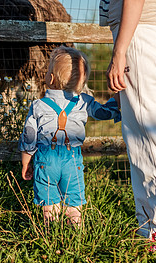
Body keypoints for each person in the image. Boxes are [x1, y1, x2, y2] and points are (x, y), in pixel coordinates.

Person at [100, 0, 156, 250]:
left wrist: (120, 51)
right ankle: (150, 225)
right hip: (136, 35)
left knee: (148, 137)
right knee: (138, 138)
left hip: (139, 36)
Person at [18, 46, 121, 225]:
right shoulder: (84, 101)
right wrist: (116, 100)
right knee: (73, 205)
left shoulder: (38, 106)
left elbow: (29, 136)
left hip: (45, 159)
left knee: (49, 205)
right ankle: (75, 237)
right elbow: (104, 113)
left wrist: (26, 161)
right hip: (72, 158)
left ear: (50, 78)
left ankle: (51, 237)